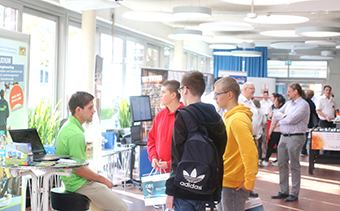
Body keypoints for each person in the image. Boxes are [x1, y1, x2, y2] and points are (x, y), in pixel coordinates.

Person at [165, 71, 227, 211]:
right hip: (208, 185)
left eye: (180, 90)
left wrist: (170, 191)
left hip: (184, 187)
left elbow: (177, 156)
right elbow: (221, 148)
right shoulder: (215, 115)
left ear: (185, 89)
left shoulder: (183, 115)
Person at [55, 91, 127, 211]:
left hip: (73, 182)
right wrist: (103, 180)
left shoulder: (68, 126)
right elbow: (79, 170)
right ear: (78, 110)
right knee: (121, 207)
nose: (94, 111)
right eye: (90, 107)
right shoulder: (75, 134)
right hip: (79, 184)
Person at [214, 77, 258, 211]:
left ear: (229, 94)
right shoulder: (230, 117)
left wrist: (249, 182)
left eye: (217, 94)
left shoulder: (237, 119)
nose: (215, 97)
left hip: (234, 183)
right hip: (226, 179)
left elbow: (250, 152)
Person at [271, 83, 310, 202]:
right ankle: (284, 191)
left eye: (289, 91)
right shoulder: (288, 104)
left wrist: (284, 118)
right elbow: (276, 113)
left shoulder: (303, 105)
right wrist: (285, 116)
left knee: (294, 165)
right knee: (281, 164)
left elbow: (292, 120)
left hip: (296, 137)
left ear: (296, 91)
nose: (287, 93)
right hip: (283, 137)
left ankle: (294, 192)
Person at [147, 80, 184, 173]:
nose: (160, 95)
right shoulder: (160, 115)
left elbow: (188, 149)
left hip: (178, 171)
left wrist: (169, 163)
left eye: (163, 92)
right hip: (159, 171)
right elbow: (151, 140)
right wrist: (154, 158)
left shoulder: (185, 116)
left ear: (173, 95)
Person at [238, 82, 260, 197]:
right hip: (243, 136)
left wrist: (256, 137)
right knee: (244, 162)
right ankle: (243, 186)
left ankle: (248, 185)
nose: (253, 91)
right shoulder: (239, 101)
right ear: (245, 89)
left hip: (252, 136)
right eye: (252, 89)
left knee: (251, 161)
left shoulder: (251, 101)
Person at [262, 94, 285, 167]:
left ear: (280, 104)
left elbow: (273, 123)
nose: (274, 104)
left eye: (276, 102)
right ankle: (279, 160)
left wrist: (269, 132)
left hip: (275, 131)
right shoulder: (285, 111)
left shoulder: (276, 111)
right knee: (279, 147)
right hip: (282, 131)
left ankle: (266, 160)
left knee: (270, 146)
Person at [301, 90, 319, 156]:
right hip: (310, 121)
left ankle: (303, 150)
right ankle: (304, 150)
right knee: (307, 136)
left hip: (305, 121)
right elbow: (313, 113)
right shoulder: (311, 103)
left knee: (304, 135)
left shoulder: (304, 102)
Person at [252, 99, 267, 163]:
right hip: (260, 131)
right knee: (259, 145)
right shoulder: (262, 112)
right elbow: (264, 122)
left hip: (252, 131)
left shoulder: (251, 111)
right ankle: (259, 158)